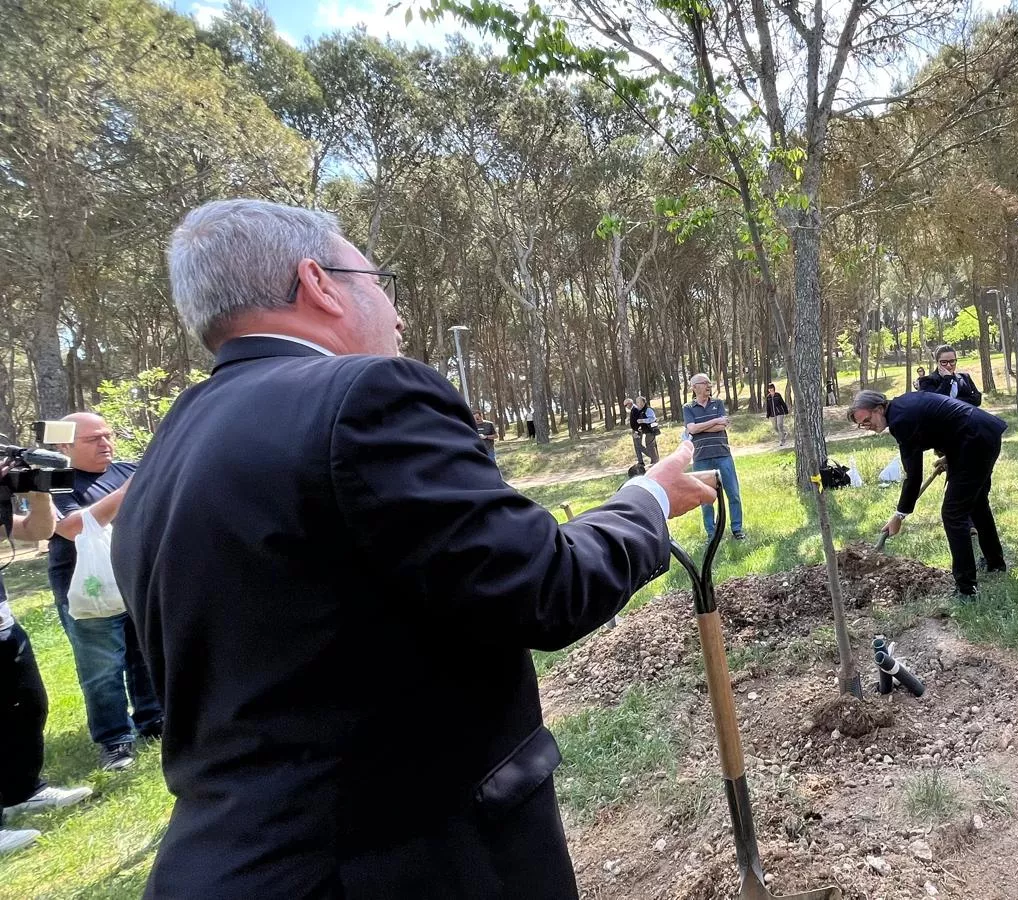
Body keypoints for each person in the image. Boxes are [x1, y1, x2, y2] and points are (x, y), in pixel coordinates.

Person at [110, 198, 715, 899]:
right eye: (380, 281)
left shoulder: (166, 452)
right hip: (397, 866)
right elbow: (545, 587)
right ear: (319, 283)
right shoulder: (365, 397)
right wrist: (647, 501)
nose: (397, 313)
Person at [47, 411, 162, 772]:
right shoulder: (55, 481)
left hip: (133, 580)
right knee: (102, 669)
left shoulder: (129, 469)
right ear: (65, 445)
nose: (105, 443)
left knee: (143, 655)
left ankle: (153, 718)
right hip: (87, 592)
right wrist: (127, 493)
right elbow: (70, 527)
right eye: (93, 438)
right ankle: (114, 739)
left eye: (108, 435)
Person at [1, 469, 94, 857]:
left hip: (3, 625)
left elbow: (38, 530)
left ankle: (23, 792)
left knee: (28, 706)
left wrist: (38, 491)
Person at [849, 389, 1007, 597]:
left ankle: (966, 589)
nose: (867, 427)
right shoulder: (902, 406)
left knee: (953, 514)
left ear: (879, 408)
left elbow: (913, 476)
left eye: (867, 420)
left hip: (975, 440)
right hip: (979, 435)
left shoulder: (900, 421)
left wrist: (900, 515)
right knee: (976, 503)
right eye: (862, 425)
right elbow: (942, 425)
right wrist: (950, 456)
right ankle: (994, 562)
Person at [683, 373, 745, 540]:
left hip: (722, 454)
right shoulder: (688, 407)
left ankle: (737, 529)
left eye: (709, 383)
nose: (708, 386)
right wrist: (713, 422)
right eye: (704, 383)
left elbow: (721, 426)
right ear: (694, 387)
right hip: (701, 457)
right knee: (705, 497)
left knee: (733, 493)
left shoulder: (717, 403)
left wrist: (700, 427)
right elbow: (692, 429)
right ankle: (712, 533)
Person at [917, 344, 982, 406]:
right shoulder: (926, 381)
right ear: (937, 362)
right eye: (944, 362)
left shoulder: (965, 377)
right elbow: (935, 404)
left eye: (952, 361)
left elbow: (977, 399)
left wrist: (953, 401)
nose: (949, 365)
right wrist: (947, 379)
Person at [628, 397, 660, 466]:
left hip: (651, 431)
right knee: (650, 445)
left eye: (638, 402)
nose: (637, 404)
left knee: (650, 446)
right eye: (636, 402)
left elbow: (653, 418)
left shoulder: (648, 409)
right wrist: (637, 431)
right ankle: (655, 461)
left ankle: (655, 462)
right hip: (647, 431)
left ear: (643, 402)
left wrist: (643, 420)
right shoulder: (642, 410)